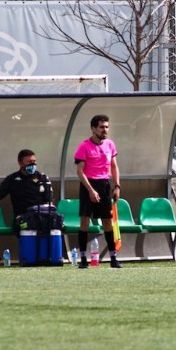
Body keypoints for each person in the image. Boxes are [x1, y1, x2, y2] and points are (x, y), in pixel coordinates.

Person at [74, 114, 122, 269]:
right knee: (85, 221)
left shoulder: (110, 144)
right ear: (93, 128)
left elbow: (114, 166)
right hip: (88, 184)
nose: (105, 130)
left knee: (107, 221)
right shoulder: (84, 146)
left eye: (107, 127)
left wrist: (117, 186)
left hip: (104, 185)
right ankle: (83, 258)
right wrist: (90, 190)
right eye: (101, 127)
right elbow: (80, 171)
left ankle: (113, 258)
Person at [0, 149, 53, 226]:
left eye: (34, 161)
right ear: (20, 163)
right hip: (23, 218)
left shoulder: (42, 178)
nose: (33, 164)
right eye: (29, 162)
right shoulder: (12, 179)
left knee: (55, 228)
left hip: (41, 217)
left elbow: (49, 201)